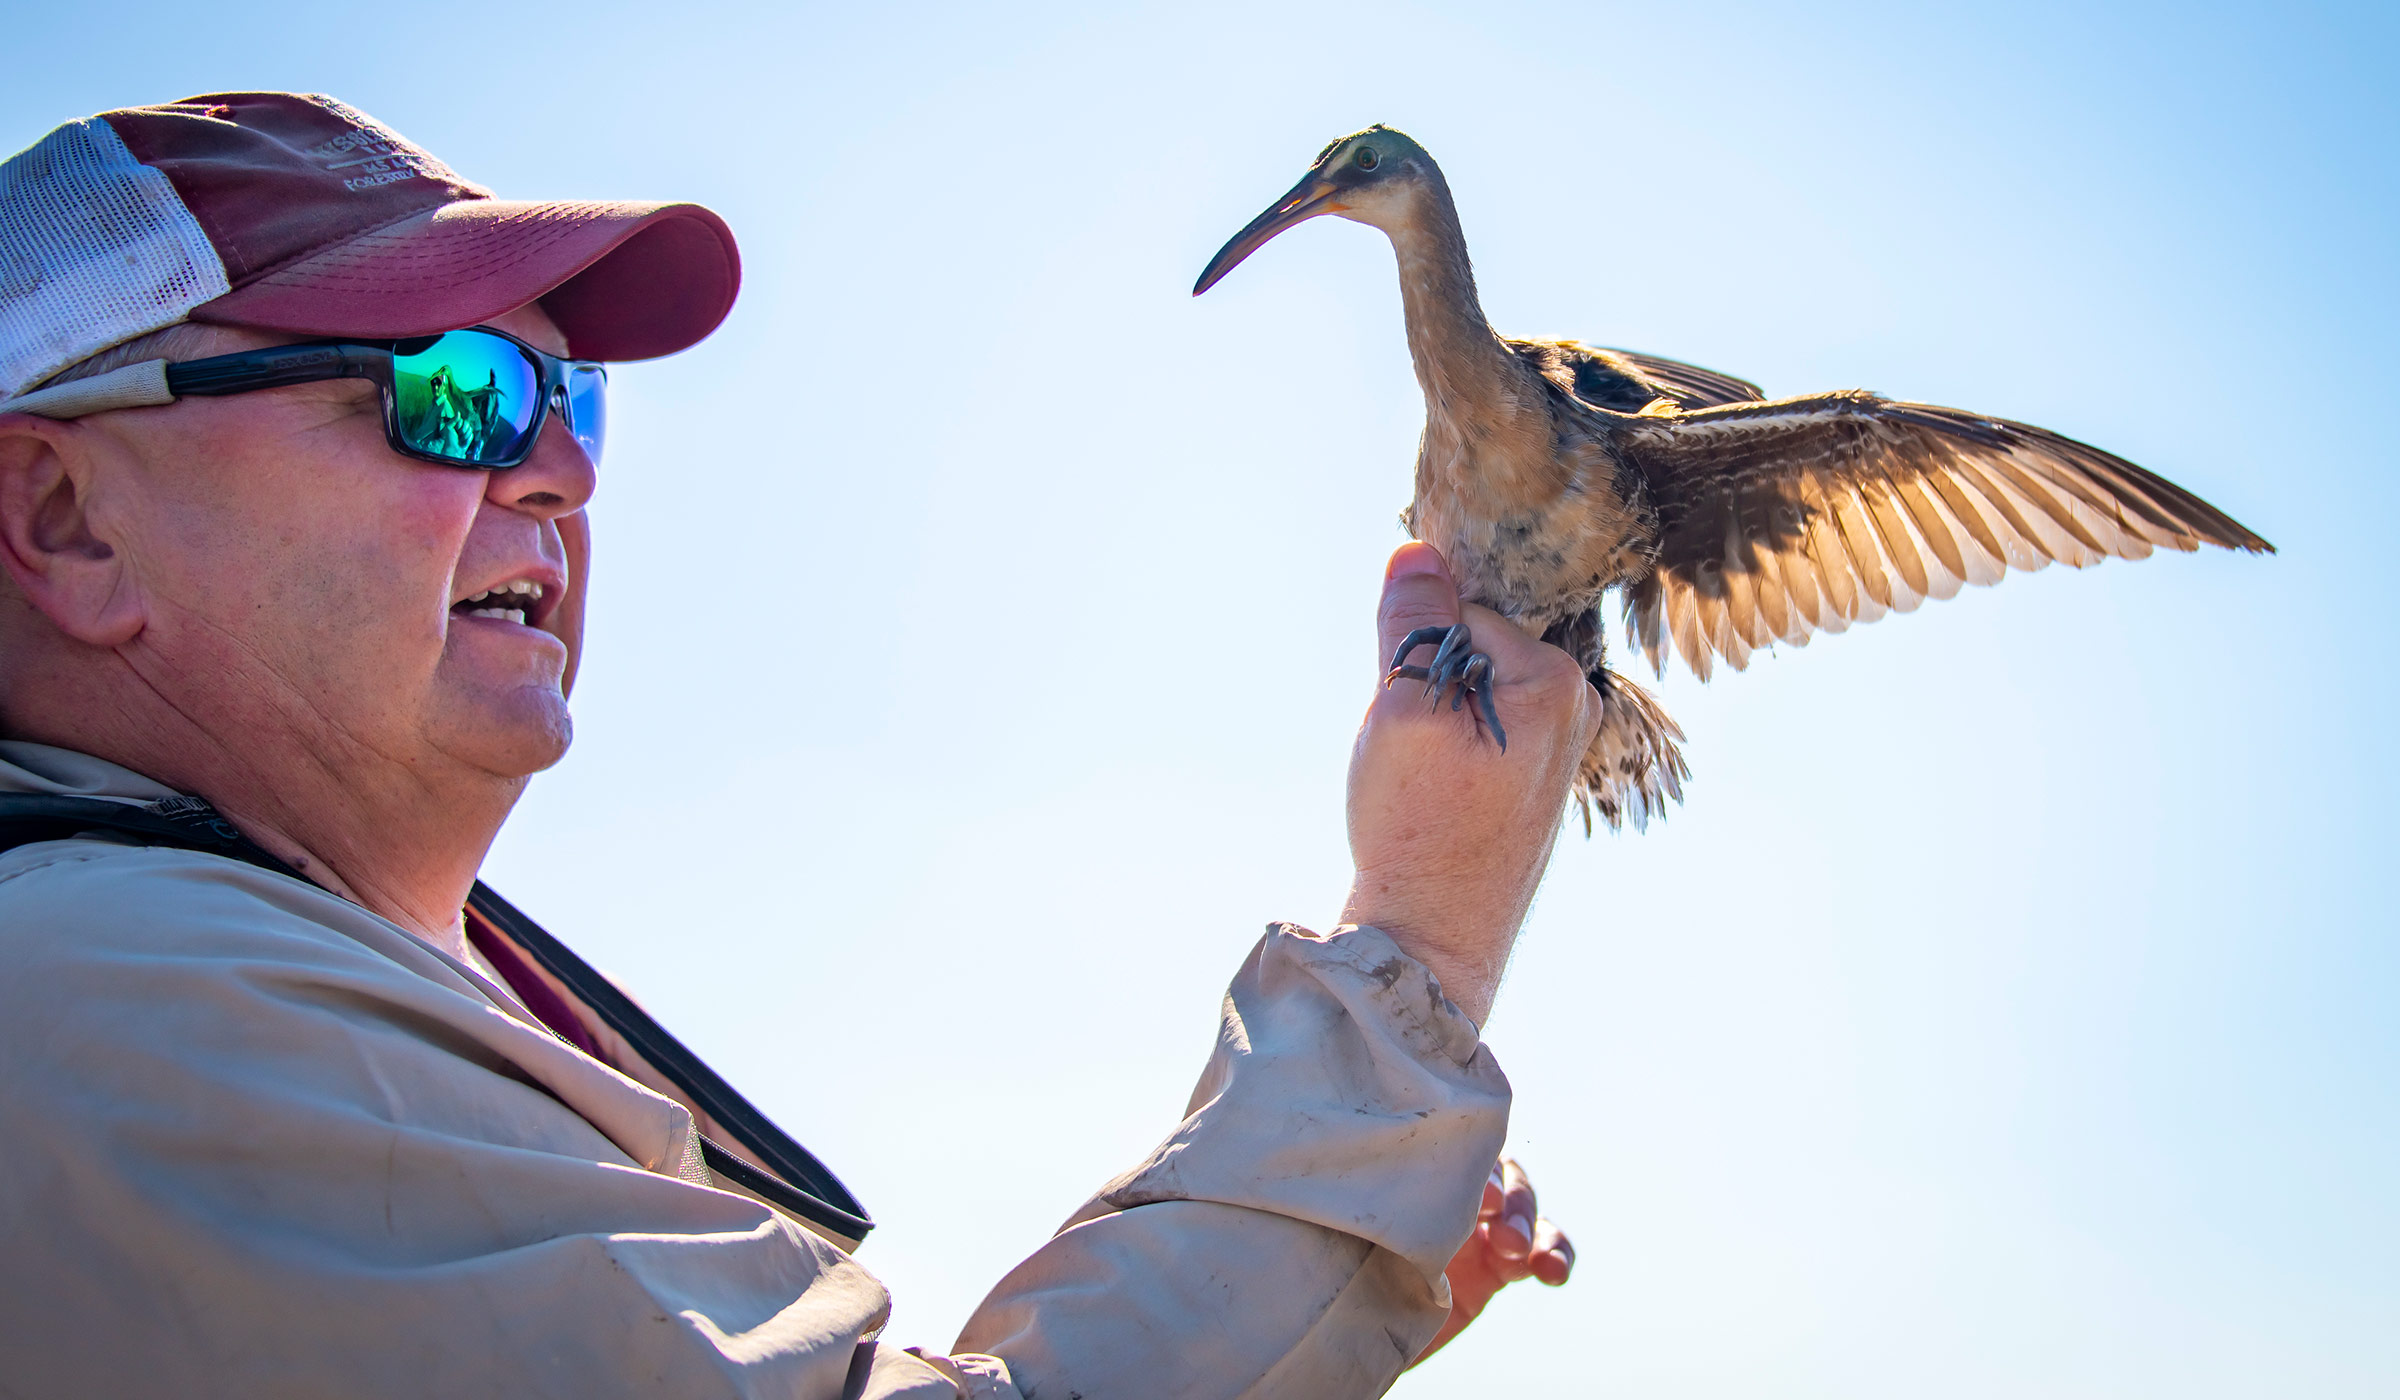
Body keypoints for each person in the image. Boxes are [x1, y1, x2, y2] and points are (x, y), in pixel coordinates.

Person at [0, 92, 1592, 1398]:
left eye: (578, 398)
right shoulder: (114, 1002)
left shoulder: (229, 973)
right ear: (69, 523)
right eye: (455, 390)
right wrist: (1419, 946)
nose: (563, 467)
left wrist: (1313, 1288)